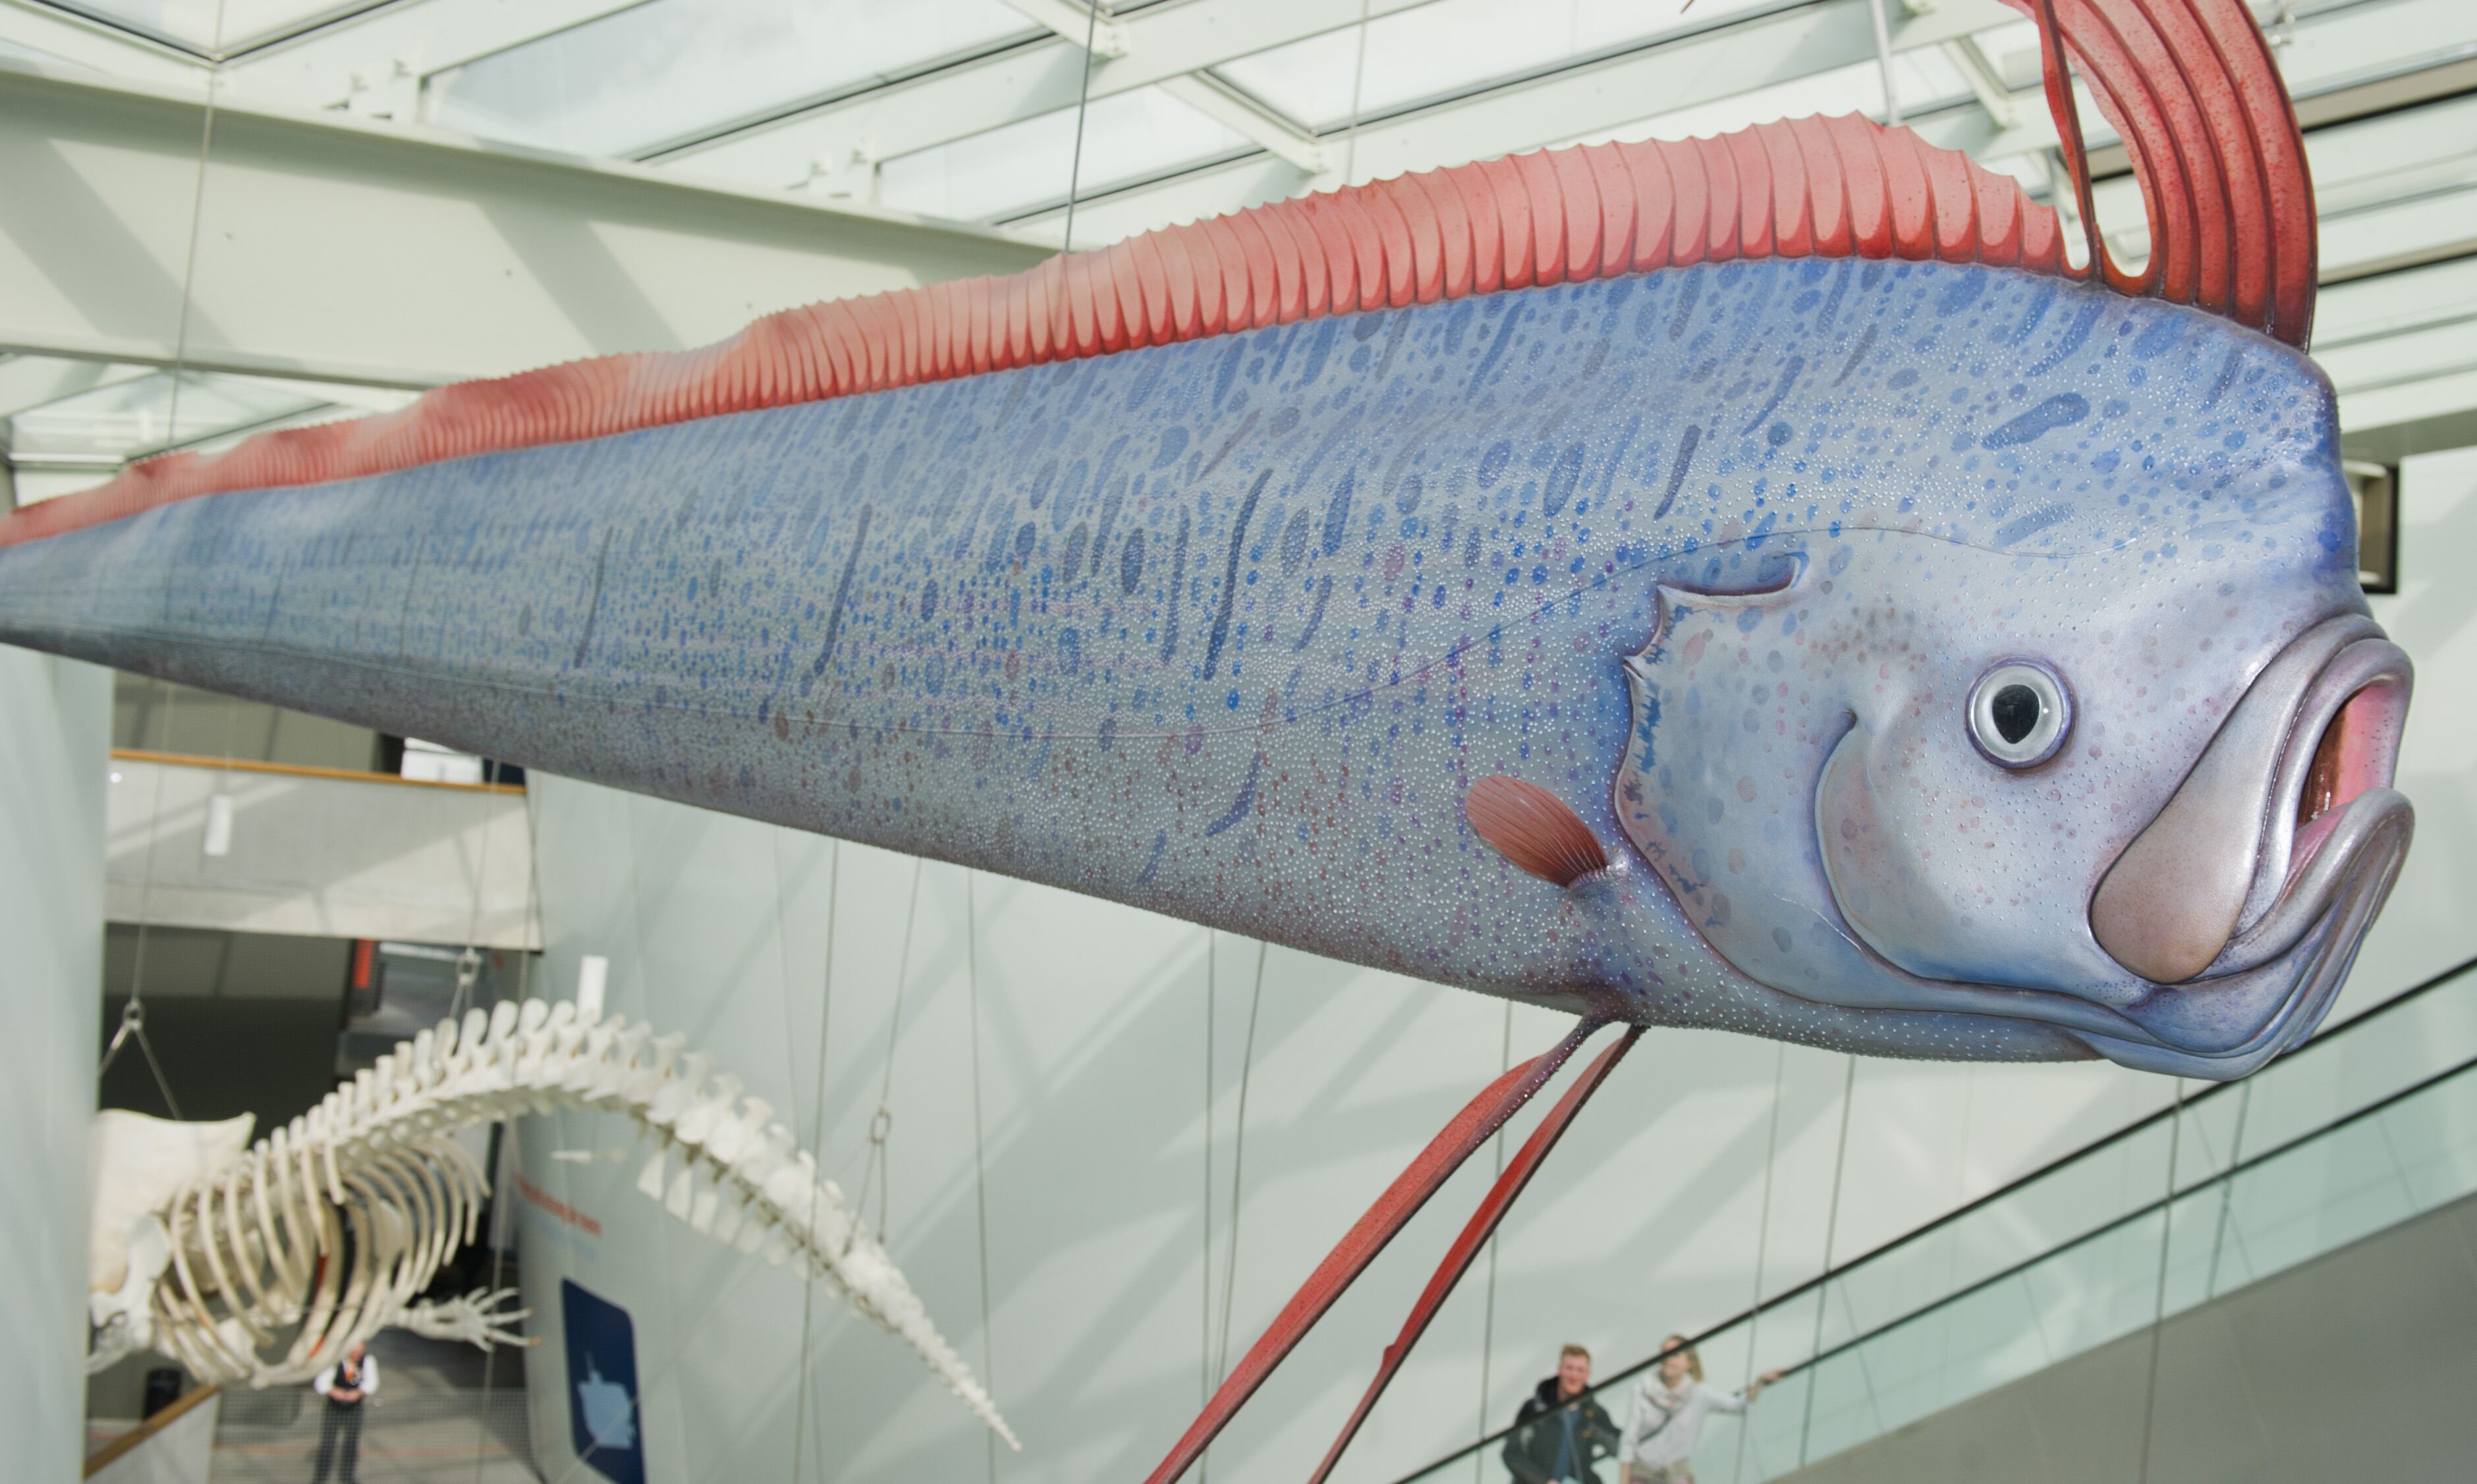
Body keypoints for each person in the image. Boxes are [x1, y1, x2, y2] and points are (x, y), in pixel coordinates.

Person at [1616, 1335, 1783, 1484]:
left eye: (1675, 1354)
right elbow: (1628, 1440)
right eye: (1664, 1353)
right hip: (1643, 1471)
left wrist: (1760, 1382)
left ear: (1689, 1363)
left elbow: (1738, 1406)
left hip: (1676, 1472)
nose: (1668, 1359)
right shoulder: (1643, 1389)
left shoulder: (1699, 1394)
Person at [1503, 1343, 1621, 1484]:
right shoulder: (1535, 1409)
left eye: (1580, 1370)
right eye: (1569, 1368)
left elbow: (1619, 1445)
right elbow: (1512, 1453)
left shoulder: (1594, 1413)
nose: (1574, 1375)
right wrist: (1543, 1481)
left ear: (1588, 1374)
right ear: (1560, 1370)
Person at [309, 1340, 379, 1483]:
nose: (356, 1356)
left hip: (354, 1408)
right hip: (334, 1407)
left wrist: (358, 1393)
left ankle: (348, 1477)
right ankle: (320, 1478)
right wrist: (335, 1392)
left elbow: (372, 1382)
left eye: (359, 1353)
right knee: (328, 1443)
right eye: (354, 1353)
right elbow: (322, 1383)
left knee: (351, 1443)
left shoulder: (368, 1361)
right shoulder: (335, 1360)